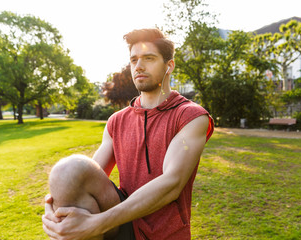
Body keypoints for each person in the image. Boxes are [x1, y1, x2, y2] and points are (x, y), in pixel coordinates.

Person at [42, 28, 214, 240]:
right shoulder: (117, 120)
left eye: (149, 58)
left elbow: (172, 184)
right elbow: (85, 176)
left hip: (164, 231)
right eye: (134, 60)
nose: (139, 66)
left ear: (169, 66)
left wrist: (95, 224)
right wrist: (52, 207)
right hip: (122, 223)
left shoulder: (191, 116)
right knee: (67, 171)